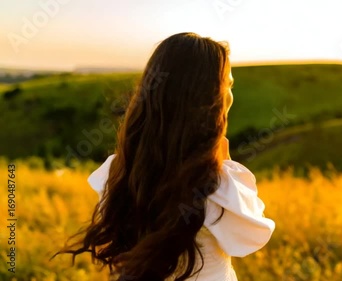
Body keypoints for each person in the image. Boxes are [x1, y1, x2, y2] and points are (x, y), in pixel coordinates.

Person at [51, 32, 275, 281]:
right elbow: (252, 238)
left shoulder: (119, 171)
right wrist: (225, 162)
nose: (230, 96)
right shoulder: (218, 185)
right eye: (228, 86)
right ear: (207, 100)